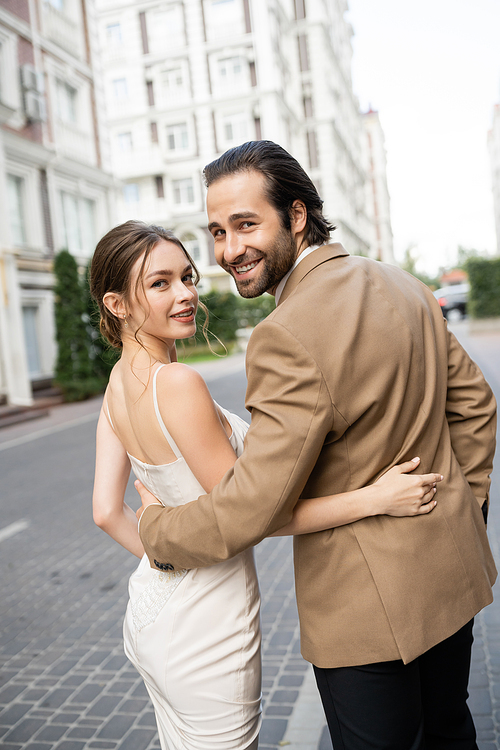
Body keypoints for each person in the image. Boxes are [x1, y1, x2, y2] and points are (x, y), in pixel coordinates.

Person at [136, 141, 498, 750]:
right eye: (217, 232)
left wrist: (157, 532)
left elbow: (252, 505)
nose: (229, 250)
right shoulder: (404, 284)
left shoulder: (284, 335)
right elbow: (477, 407)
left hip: (364, 614)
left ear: (297, 215)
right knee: (451, 731)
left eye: (247, 224)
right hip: (448, 576)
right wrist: (461, 511)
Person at [90, 220, 442, 750]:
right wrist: (376, 498)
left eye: (187, 277)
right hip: (208, 624)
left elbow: (105, 512)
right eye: (160, 284)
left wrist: (165, 555)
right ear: (117, 304)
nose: (186, 294)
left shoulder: (118, 382)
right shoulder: (179, 384)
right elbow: (255, 516)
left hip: (153, 614)